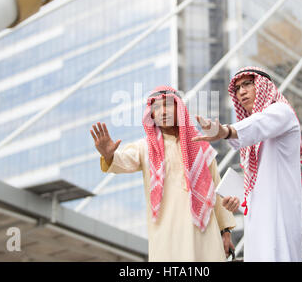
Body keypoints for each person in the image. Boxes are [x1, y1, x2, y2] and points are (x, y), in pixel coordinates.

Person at [90, 85, 236, 262]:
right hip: (167, 235)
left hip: (205, 234)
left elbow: (218, 190)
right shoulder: (145, 148)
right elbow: (123, 160)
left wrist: (225, 232)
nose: (162, 111)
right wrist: (108, 154)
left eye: (167, 105)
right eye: (156, 108)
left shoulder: (202, 147)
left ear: (179, 108)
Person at [192, 66, 302, 262]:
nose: (241, 91)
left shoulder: (280, 112)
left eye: (247, 84)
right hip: (258, 223)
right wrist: (240, 201)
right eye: (237, 88)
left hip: (280, 219)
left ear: (263, 87)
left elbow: (259, 124)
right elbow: (258, 186)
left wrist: (225, 131)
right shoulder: (254, 136)